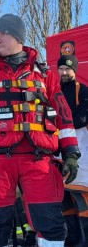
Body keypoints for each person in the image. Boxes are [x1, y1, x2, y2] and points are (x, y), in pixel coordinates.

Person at [0, 14, 81, 247]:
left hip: (39, 160)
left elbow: (64, 115)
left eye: (1, 33)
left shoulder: (45, 76)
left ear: (18, 36)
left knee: (50, 222)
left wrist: (71, 153)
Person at [57, 54, 88, 246]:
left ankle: (85, 240)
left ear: (74, 70)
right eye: (61, 69)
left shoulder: (83, 91)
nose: (64, 72)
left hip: (80, 148)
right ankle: (73, 237)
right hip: (58, 149)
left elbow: (82, 118)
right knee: (64, 196)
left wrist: (61, 120)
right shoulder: (55, 90)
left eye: (68, 69)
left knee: (82, 195)